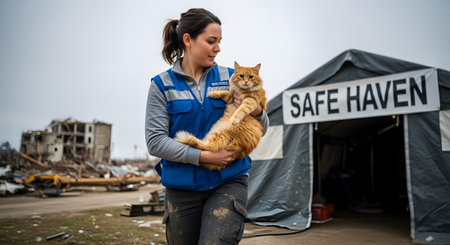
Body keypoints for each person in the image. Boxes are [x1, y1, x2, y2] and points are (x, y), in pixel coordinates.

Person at [145, 8, 269, 245]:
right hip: (181, 188)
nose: (218, 48)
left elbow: (263, 124)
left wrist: (257, 110)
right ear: (188, 40)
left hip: (228, 181)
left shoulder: (234, 76)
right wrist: (204, 156)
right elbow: (155, 141)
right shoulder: (162, 85)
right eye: (211, 41)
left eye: (219, 42)